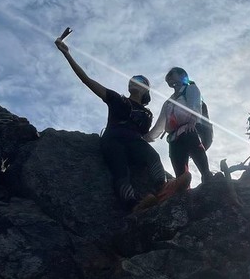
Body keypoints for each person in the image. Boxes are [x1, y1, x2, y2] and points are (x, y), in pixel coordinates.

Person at [55, 38, 190, 209]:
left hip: (135, 142)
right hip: (113, 140)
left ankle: (163, 188)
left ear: (146, 90)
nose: (134, 81)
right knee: (120, 169)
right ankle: (133, 204)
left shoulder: (147, 114)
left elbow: (147, 135)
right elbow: (87, 80)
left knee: (153, 156)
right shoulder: (117, 99)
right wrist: (67, 54)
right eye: (132, 79)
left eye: (140, 80)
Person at [145, 67, 213, 184]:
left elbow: (195, 105)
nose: (169, 79)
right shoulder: (168, 102)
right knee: (179, 168)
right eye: (168, 78)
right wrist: (148, 137)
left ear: (182, 75)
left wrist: (192, 121)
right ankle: (183, 188)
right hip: (174, 137)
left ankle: (207, 177)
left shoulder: (191, 88)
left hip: (190, 129)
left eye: (172, 75)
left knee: (197, 152)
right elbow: (160, 124)